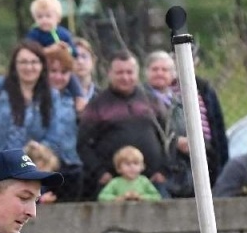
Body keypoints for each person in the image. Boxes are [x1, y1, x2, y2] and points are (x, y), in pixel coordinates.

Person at [76, 52, 167, 200]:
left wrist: (164, 170)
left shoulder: (152, 101)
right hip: (113, 186)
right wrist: (99, 172)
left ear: (137, 74)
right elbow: (83, 144)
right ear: (110, 74)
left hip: (151, 184)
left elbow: (168, 137)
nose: (125, 77)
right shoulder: (97, 105)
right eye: (119, 72)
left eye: (129, 72)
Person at [0, 42, 54, 167]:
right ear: (14, 65)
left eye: (34, 62)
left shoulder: (52, 95)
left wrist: (43, 147)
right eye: (23, 62)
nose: (29, 67)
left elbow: (56, 130)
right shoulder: (0, 86)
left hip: (31, 169)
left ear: (42, 65)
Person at [39, 44, 84, 192]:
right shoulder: (35, 99)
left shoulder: (74, 101)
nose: (58, 77)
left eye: (64, 72)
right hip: (42, 166)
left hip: (71, 163)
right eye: (53, 71)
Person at [97, 145, 162, 202]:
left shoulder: (144, 181)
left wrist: (141, 197)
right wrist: (118, 198)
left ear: (142, 166)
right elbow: (102, 197)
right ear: (119, 168)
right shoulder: (115, 182)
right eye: (127, 164)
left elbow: (156, 197)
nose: (132, 167)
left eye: (135, 163)